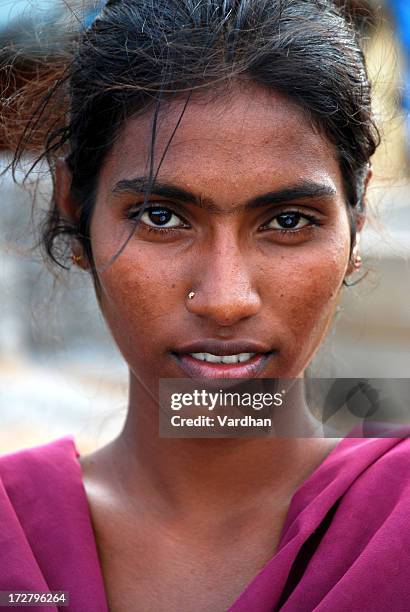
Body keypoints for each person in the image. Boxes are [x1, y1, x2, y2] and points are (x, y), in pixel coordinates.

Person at [0, 1, 409, 610]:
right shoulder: (14, 537)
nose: (224, 300)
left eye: (289, 221)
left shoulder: (397, 525)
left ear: (357, 220)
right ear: (74, 210)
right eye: (161, 217)